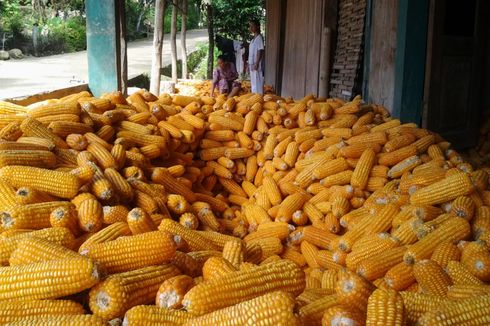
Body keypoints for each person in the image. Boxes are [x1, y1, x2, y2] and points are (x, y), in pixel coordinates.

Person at [248, 20, 264, 94]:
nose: (250, 28)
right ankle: (254, 97)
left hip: (256, 64)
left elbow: (260, 51)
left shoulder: (259, 38)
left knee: (257, 82)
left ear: (257, 27)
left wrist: (257, 63)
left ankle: (259, 97)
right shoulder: (252, 40)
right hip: (252, 64)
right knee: (253, 82)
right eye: (250, 26)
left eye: (252, 26)